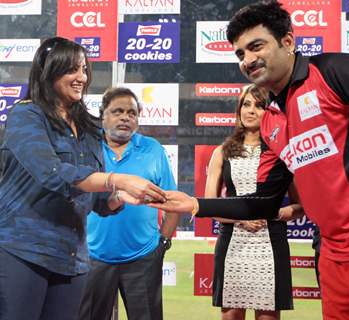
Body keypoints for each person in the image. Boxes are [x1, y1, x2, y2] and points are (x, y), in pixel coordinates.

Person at [151, 1, 349, 319]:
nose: (248, 60)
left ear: (288, 41)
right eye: (240, 54)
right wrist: (195, 205)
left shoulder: (335, 71)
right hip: (332, 256)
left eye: (256, 46)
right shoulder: (270, 121)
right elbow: (265, 203)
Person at [0, 37, 166, 320]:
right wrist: (117, 179)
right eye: (72, 70)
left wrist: (119, 198)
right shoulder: (26, 115)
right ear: (49, 71)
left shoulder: (89, 126)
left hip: (72, 259)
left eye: (84, 70)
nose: (81, 77)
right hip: (23, 250)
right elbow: (51, 173)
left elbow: (98, 201)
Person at [79, 87, 178, 320]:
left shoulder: (153, 149)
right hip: (93, 257)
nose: (125, 117)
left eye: (132, 113)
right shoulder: (86, 147)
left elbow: (171, 201)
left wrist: (162, 242)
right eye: (118, 111)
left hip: (143, 258)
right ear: (102, 115)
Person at [206, 84, 300, 320]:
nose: (250, 111)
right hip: (233, 247)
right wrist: (241, 219)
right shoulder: (222, 152)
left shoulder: (283, 152)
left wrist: (276, 213)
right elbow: (210, 205)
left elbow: (302, 206)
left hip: (270, 244)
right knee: (232, 315)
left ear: (270, 112)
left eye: (259, 106)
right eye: (246, 104)